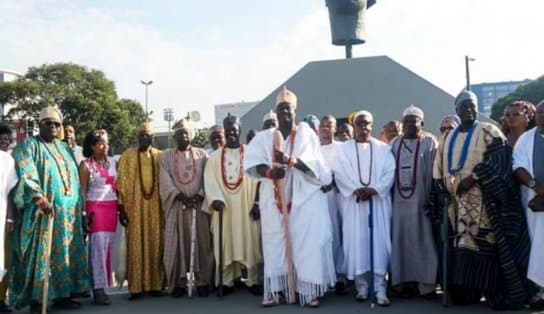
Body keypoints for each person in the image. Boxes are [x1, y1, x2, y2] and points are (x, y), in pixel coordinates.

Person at [432, 90, 529, 309]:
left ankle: (493, 293)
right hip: (455, 206)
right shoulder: (447, 136)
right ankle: (466, 293)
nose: (469, 110)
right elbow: (437, 167)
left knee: (486, 248)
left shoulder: (489, 131)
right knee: (460, 250)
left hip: (484, 205)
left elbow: (500, 160)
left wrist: (475, 177)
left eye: (472, 106)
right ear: (456, 110)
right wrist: (440, 187)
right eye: (464, 106)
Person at [244, 87, 335, 307]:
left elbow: (317, 168)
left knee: (306, 245)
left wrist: (291, 161)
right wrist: (269, 172)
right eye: (281, 109)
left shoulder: (306, 133)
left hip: (304, 201)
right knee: (275, 244)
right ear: (276, 111)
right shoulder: (264, 137)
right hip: (273, 201)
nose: (285, 113)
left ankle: (308, 291)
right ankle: (277, 291)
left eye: (289, 109)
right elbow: (249, 164)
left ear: (296, 110)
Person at [10, 106, 89, 313]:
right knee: (41, 256)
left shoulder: (64, 149)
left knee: (65, 254)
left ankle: (64, 295)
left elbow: (74, 178)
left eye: (56, 123)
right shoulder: (29, 145)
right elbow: (26, 173)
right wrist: (39, 198)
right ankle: (38, 299)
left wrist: (78, 206)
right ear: (40, 125)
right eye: (48, 123)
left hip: (68, 216)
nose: (53, 126)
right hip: (43, 214)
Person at [333, 110, 395, 306]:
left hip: (378, 204)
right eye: (360, 124)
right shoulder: (343, 149)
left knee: (379, 243)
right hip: (354, 204)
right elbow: (339, 173)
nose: (364, 128)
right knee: (356, 242)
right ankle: (361, 286)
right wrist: (355, 190)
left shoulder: (383, 149)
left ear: (372, 125)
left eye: (367, 124)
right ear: (354, 126)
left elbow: (389, 173)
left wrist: (375, 189)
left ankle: (379, 287)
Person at [204, 114, 262, 296]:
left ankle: (252, 280)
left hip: (247, 205)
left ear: (239, 131)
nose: (231, 134)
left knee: (249, 240)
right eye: (228, 131)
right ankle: (227, 281)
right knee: (225, 242)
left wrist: (257, 203)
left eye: (234, 131)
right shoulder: (214, 157)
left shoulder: (251, 153)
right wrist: (215, 199)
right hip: (225, 207)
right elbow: (209, 180)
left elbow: (259, 180)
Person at [159, 118, 213, 298]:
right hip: (177, 206)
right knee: (176, 244)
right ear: (174, 136)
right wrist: (179, 195)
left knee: (202, 243)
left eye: (186, 132)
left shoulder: (202, 155)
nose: (183, 135)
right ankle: (178, 284)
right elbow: (164, 180)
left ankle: (203, 281)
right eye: (179, 133)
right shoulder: (166, 156)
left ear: (191, 135)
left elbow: (209, 177)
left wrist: (199, 194)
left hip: (198, 206)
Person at [390, 105, 438, 298]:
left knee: (424, 242)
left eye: (414, 120)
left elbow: (436, 173)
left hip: (421, 203)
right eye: (406, 120)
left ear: (422, 123)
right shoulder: (394, 143)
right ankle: (403, 284)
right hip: (399, 206)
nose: (410, 124)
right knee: (400, 243)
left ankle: (426, 285)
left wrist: (431, 199)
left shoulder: (429, 143)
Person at [117, 122, 165, 299]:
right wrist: (121, 208)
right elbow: (120, 183)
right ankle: (136, 287)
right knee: (136, 245)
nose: (145, 138)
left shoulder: (161, 156)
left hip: (155, 207)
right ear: (137, 138)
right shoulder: (127, 156)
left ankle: (155, 285)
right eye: (142, 135)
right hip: (134, 207)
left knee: (155, 243)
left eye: (148, 135)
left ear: (153, 138)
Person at [78, 129, 118, 305]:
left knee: (106, 249)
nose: (105, 146)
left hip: (112, 208)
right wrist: (84, 214)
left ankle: (103, 285)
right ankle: (98, 289)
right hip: (95, 209)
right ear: (92, 146)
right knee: (97, 249)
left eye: (107, 142)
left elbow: (119, 187)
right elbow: (83, 191)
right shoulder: (86, 165)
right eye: (101, 143)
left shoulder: (113, 161)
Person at [512, 99, 544, 310]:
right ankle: (541, 293)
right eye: (540, 113)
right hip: (534, 201)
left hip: (539, 197)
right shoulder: (526, 138)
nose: (542, 116)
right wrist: (536, 187)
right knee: (538, 246)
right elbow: (518, 165)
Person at [318, 115, 346, 294]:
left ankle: (340, 275)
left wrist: (334, 183)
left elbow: (344, 171)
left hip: (338, 197)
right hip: (319, 199)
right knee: (323, 236)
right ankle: (325, 275)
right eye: (323, 125)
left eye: (330, 126)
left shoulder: (342, 148)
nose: (326, 128)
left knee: (339, 234)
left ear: (335, 129)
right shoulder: (314, 149)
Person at [0, 142, 17, 313]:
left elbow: (11, 192)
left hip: (3, 213)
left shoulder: (8, 161)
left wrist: (10, 217)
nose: (5, 141)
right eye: (1, 138)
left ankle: (1, 299)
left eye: (7, 138)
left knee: (3, 259)